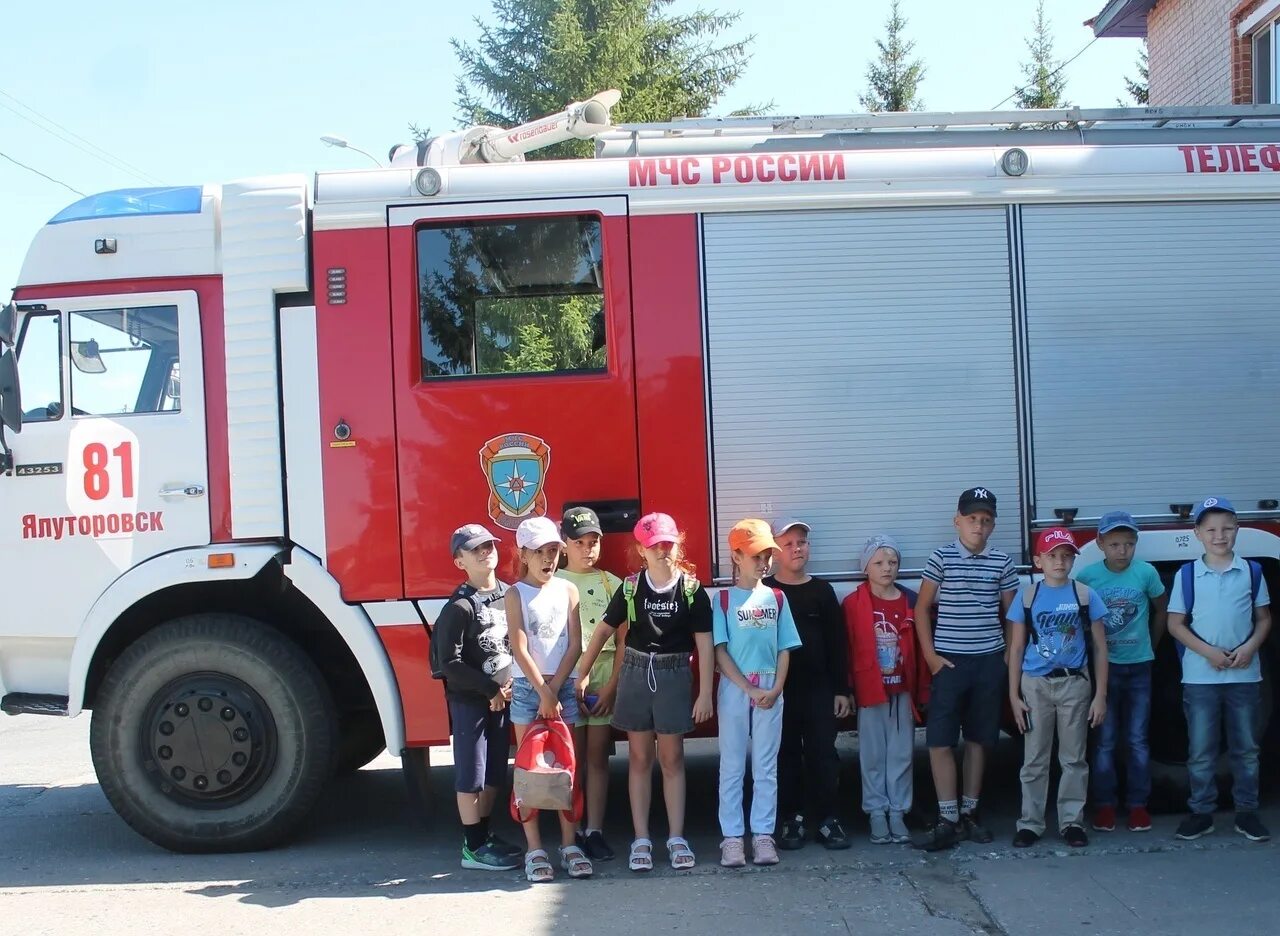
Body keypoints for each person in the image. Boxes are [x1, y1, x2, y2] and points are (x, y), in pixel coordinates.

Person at [578, 511, 715, 872]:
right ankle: (641, 838)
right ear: (642, 549)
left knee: (672, 758)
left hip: (673, 674)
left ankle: (676, 837)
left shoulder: (691, 590)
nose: (662, 551)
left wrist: (704, 694)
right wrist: (582, 673)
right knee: (639, 758)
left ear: (677, 544)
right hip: (636, 673)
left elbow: (704, 644)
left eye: (668, 543)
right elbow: (604, 632)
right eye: (654, 545)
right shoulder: (630, 588)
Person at [912, 487, 1019, 851]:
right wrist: (930, 656)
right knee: (940, 740)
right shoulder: (941, 558)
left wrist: (1006, 656)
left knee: (979, 738)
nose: (979, 526)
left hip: (988, 661)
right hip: (950, 663)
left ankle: (970, 812)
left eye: (986, 520)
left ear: (993, 525)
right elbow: (922, 608)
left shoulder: (1002, 562)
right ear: (957, 521)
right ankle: (948, 817)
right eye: (972, 519)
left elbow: (1012, 613)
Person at [1167, 497, 1272, 843]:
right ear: (1197, 533)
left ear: (1237, 530)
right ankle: (1201, 812)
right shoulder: (1187, 575)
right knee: (1201, 750)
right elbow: (1175, 625)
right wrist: (1209, 652)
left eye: (1227, 528)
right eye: (1211, 529)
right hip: (1200, 677)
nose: (1219, 535)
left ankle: (1247, 812)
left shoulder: (1252, 572)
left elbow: (1264, 619)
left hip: (1244, 676)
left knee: (1246, 749)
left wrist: (1249, 648)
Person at [1007, 527, 1109, 848]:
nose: (1059, 562)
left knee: (1074, 757)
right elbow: (1017, 649)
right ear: (1038, 561)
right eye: (1052, 556)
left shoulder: (1084, 595)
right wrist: (1013, 696)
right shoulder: (1028, 597)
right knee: (1034, 757)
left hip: (1074, 683)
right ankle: (1030, 823)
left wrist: (1100, 695)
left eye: (1066, 556)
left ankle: (1071, 822)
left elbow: (1100, 647)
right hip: (1036, 685)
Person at [504, 516, 589, 882]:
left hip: (561, 689)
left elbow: (575, 643)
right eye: (539, 552)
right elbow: (519, 647)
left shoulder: (568, 590)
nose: (548, 559)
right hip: (528, 691)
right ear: (523, 554)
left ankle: (570, 845)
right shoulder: (515, 594)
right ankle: (535, 848)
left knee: (567, 768)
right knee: (530, 772)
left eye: (554, 550)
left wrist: (555, 692)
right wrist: (543, 692)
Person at [433, 523, 522, 871]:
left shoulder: (509, 594)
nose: (486, 552)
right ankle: (472, 847)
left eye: (489, 545)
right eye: (475, 549)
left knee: (495, 772)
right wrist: (489, 690)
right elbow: (448, 663)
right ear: (460, 562)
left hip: (504, 699)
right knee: (471, 775)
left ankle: (485, 835)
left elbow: (518, 643)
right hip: (472, 701)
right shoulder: (459, 607)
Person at [715, 519, 803, 867]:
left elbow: (785, 647)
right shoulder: (722, 599)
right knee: (732, 765)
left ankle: (763, 835)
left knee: (766, 766)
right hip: (736, 689)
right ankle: (732, 839)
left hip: (770, 687)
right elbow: (720, 652)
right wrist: (748, 686)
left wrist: (776, 687)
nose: (764, 561)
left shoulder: (778, 598)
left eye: (768, 554)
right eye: (755, 555)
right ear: (735, 556)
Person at [1075, 510, 1167, 833]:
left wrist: (1150, 647)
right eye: (1114, 544)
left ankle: (1138, 805)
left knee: (1139, 739)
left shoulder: (1146, 573)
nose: (1122, 551)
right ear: (1100, 543)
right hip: (1106, 670)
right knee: (1105, 740)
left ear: (1136, 544)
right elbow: (1077, 619)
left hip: (1140, 666)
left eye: (1128, 544)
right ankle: (1104, 806)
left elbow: (1161, 610)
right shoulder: (1086, 577)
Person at [765, 519, 852, 851]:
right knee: (785, 755)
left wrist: (841, 689)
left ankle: (829, 820)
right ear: (775, 552)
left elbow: (836, 643)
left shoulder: (822, 591)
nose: (797, 548)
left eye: (801, 542)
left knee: (823, 755)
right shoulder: (767, 592)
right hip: (780, 690)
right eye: (788, 544)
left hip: (819, 690)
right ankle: (792, 819)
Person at [844, 534, 929, 844]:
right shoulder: (854, 603)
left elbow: (919, 648)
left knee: (902, 753)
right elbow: (849, 647)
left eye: (892, 562)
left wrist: (922, 689)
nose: (886, 568)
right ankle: (876, 811)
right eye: (878, 562)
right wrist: (849, 687)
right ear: (866, 567)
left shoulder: (909, 600)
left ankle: (898, 811)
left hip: (901, 690)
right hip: (871, 691)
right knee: (873, 753)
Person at [558, 506, 624, 861]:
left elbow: (624, 640)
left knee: (598, 757)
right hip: (569, 676)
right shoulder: (555, 582)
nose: (587, 549)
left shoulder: (610, 583)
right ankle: (574, 828)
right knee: (573, 759)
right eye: (579, 542)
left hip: (602, 676)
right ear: (564, 544)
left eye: (593, 542)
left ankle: (595, 830)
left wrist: (612, 685)